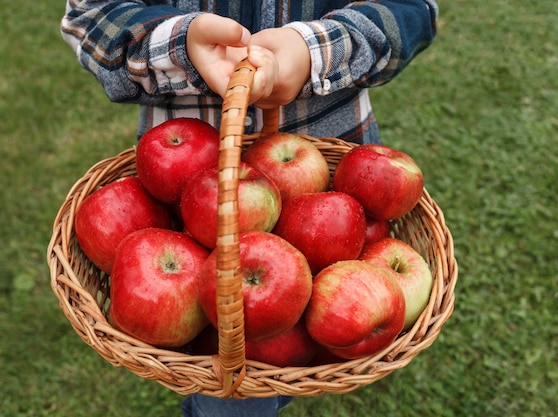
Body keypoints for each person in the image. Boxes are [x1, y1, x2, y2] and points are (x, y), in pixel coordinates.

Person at [61, 0, 438, 415]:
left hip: (342, 173)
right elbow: (90, 17)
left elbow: (413, 9)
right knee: (231, 398)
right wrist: (177, 45)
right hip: (182, 191)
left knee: (301, 349)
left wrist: (312, 49)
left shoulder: (344, 202)